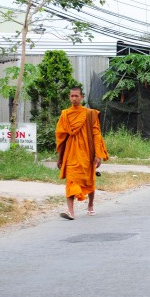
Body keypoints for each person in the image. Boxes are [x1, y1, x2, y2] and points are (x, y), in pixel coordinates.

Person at [55, 87, 109, 220]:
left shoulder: (90, 114)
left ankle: (90, 205)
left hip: (87, 152)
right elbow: (61, 137)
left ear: (82, 97)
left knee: (88, 180)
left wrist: (98, 155)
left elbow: (96, 134)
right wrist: (60, 157)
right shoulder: (65, 115)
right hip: (71, 152)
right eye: (72, 96)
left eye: (76, 96)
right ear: (69, 97)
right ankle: (70, 211)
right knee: (71, 180)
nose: (74, 98)